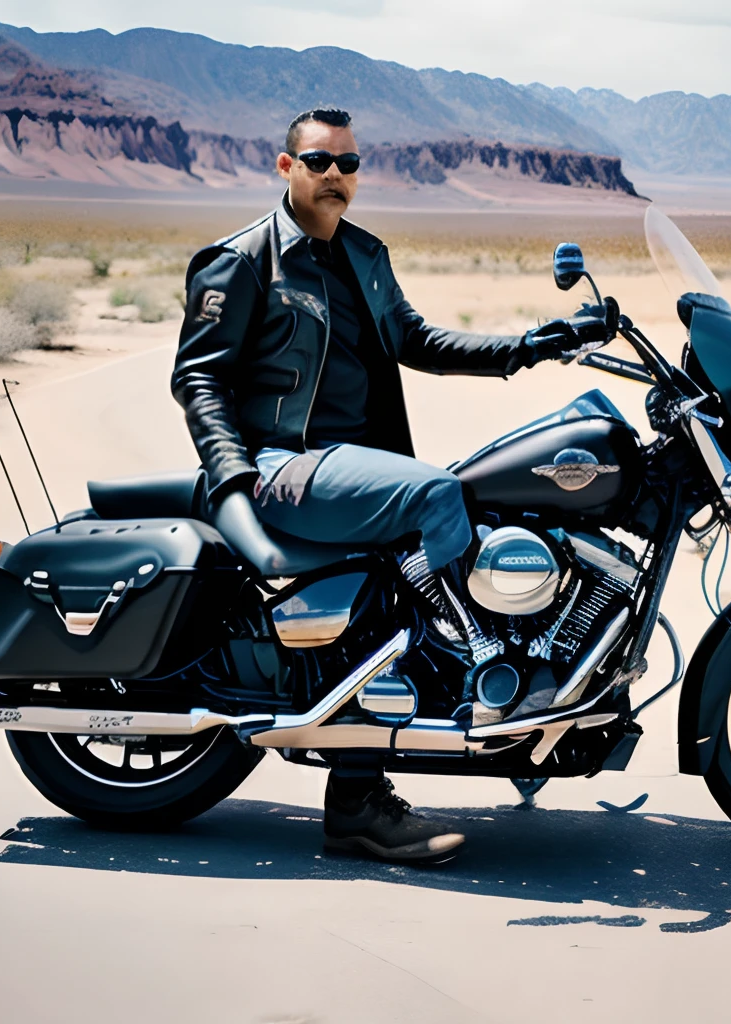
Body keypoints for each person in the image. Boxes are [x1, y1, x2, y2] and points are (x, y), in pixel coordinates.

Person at [172, 107, 600, 864]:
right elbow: (199, 378)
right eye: (318, 160)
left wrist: (531, 347)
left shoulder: (364, 254)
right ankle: (484, 680)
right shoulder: (241, 261)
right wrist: (233, 477)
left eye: (348, 163)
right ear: (286, 167)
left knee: (477, 493)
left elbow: (417, 341)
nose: (335, 174)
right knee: (439, 495)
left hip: (350, 463)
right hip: (284, 462)